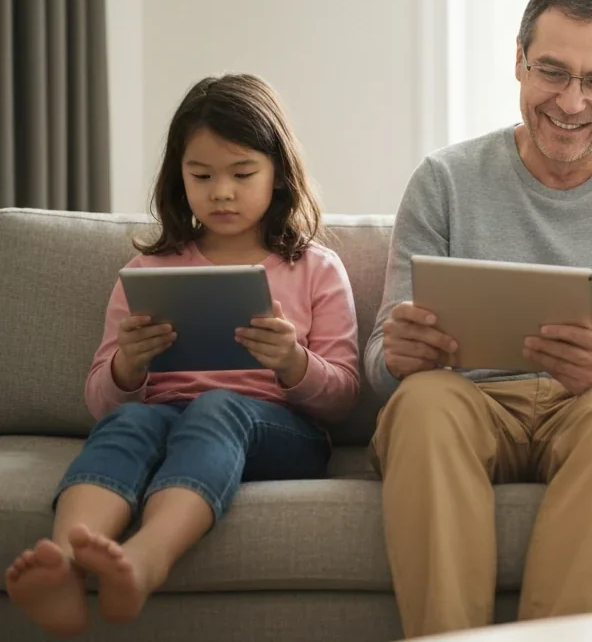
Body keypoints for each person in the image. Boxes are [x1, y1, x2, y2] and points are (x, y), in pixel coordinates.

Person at [364, 0, 592, 636]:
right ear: (518, 61)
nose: (571, 101)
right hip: (467, 399)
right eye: (552, 71)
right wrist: (397, 355)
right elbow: (380, 363)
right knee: (424, 401)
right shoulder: (444, 180)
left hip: (591, 408)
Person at [4, 74, 360, 636]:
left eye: (242, 174)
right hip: (168, 416)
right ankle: (65, 566)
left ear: (278, 173)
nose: (222, 192)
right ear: (179, 177)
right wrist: (127, 367)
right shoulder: (148, 270)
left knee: (217, 407)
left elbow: (342, 398)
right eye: (202, 175)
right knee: (128, 422)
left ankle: (147, 558)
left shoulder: (315, 267)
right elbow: (100, 402)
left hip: (280, 432)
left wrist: (293, 362)